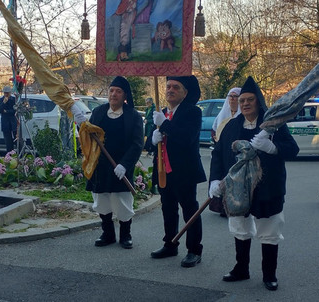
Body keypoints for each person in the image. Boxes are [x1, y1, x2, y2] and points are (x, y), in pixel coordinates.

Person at [209, 76, 299, 291]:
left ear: (259, 101)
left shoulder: (273, 125)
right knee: (240, 227)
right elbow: (218, 155)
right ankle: (241, 269)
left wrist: (272, 147)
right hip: (238, 188)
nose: (246, 104)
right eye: (242, 101)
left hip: (267, 187)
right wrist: (214, 180)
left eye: (250, 100)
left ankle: (269, 274)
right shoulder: (231, 126)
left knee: (268, 229)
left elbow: (292, 149)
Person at [149, 76, 206, 268]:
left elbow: (186, 138)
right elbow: (151, 143)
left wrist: (164, 124)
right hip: (164, 170)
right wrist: (152, 139)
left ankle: (194, 250)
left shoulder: (193, 112)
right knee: (168, 208)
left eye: (176, 87)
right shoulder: (162, 112)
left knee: (190, 209)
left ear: (185, 92)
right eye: (168, 86)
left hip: (184, 170)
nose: (170, 90)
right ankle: (170, 244)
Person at [86, 77, 144, 249]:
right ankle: (108, 234)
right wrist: (82, 125)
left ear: (125, 95)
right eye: (111, 90)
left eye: (118, 91)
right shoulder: (98, 112)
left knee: (122, 201)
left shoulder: (132, 116)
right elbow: (89, 136)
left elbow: (137, 143)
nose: (114, 94)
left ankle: (125, 235)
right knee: (102, 200)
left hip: (121, 167)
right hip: (100, 166)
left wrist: (125, 165)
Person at [209, 87, 240, 216]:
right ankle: (222, 207)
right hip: (222, 151)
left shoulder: (241, 116)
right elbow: (215, 129)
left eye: (235, 96)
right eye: (230, 96)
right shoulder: (223, 114)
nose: (232, 99)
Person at [0, 85, 17, 152]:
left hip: (13, 121)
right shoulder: (1, 100)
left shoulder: (14, 100)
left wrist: (6, 111)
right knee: (8, 141)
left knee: (16, 138)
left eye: (7, 93)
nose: (6, 94)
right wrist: (3, 103)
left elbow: (14, 110)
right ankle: (9, 154)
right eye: (5, 93)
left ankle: (19, 153)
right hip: (5, 122)